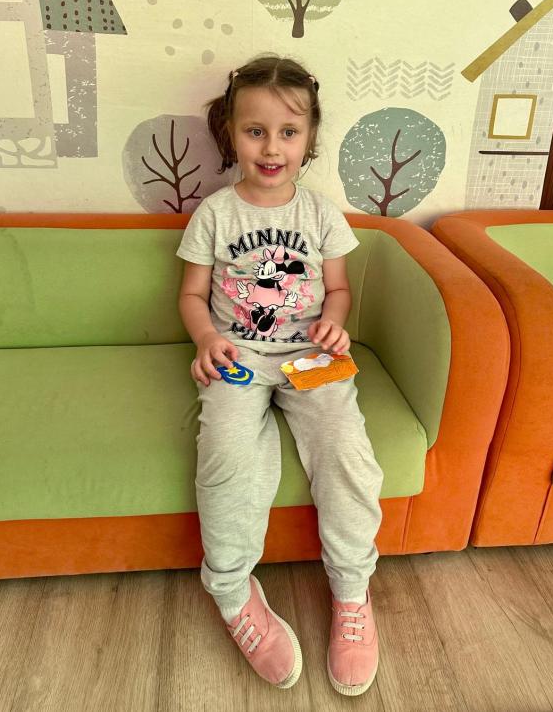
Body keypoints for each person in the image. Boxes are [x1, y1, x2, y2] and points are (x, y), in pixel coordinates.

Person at [176, 55, 384, 696]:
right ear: (231, 134)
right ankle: (232, 591)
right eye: (255, 131)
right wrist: (207, 337)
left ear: (310, 137)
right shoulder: (214, 214)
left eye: (288, 132)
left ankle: (352, 590)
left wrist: (335, 325)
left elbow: (338, 290)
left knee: (346, 448)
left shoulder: (321, 214)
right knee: (227, 453)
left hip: (309, 357)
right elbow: (191, 296)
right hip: (237, 357)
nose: (271, 148)